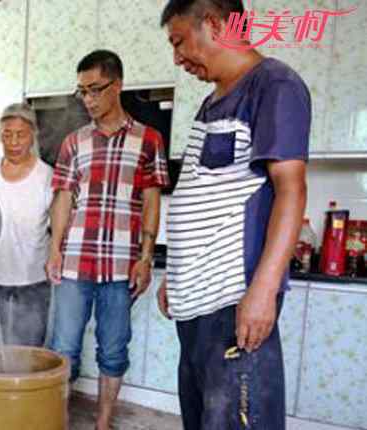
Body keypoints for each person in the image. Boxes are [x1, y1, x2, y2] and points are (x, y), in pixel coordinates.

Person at [158, 1, 310, 429]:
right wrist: (177, 273)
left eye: (179, 41)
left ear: (213, 25)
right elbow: (205, 193)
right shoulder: (212, 102)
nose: (177, 58)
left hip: (232, 301)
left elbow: (291, 189)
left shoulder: (274, 84)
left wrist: (262, 292)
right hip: (195, 306)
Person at [46, 50, 168, 430]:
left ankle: (103, 424)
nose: (88, 99)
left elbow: (151, 200)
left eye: (95, 90)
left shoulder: (148, 140)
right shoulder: (73, 141)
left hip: (121, 264)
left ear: (117, 85)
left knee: (113, 350)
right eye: (81, 91)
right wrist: (54, 251)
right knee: (63, 349)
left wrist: (146, 257)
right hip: (74, 262)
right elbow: (63, 198)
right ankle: (58, 422)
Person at [0, 103, 53, 348]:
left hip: (33, 279)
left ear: (33, 136)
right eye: (7, 134)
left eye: (21, 134)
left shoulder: (47, 176)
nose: (14, 141)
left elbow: (59, 224)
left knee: (28, 352)